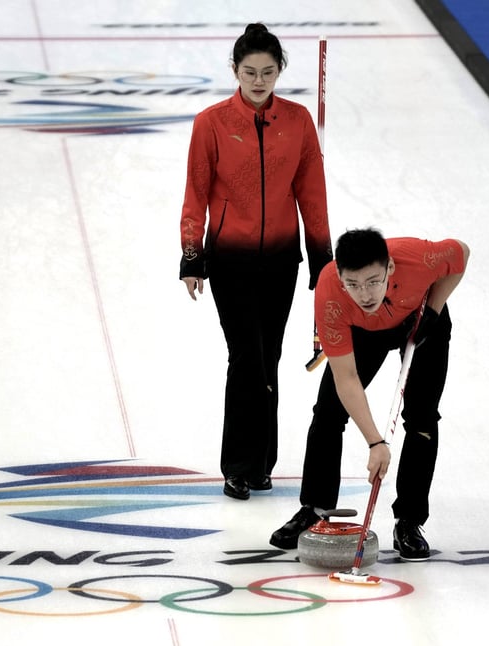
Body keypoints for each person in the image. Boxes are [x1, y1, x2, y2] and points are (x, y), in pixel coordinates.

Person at [179, 23, 331, 501]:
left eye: (268, 71)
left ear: (280, 70)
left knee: (270, 357)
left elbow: (312, 191)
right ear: (235, 71)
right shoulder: (212, 122)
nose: (259, 80)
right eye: (250, 72)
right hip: (231, 259)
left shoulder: (299, 120)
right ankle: (238, 465)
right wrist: (191, 255)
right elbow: (196, 190)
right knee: (245, 357)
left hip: (282, 258)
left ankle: (263, 462)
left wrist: (322, 256)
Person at [270, 227, 470, 559]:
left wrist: (433, 311)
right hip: (364, 331)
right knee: (328, 413)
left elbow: (461, 253)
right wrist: (375, 442)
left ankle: (409, 520)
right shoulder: (331, 293)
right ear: (340, 277)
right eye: (355, 284)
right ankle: (316, 508)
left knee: (421, 418)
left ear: (390, 267)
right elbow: (346, 379)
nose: (365, 294)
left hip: (421, 318)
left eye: (373, 281)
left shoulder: (419, 258)